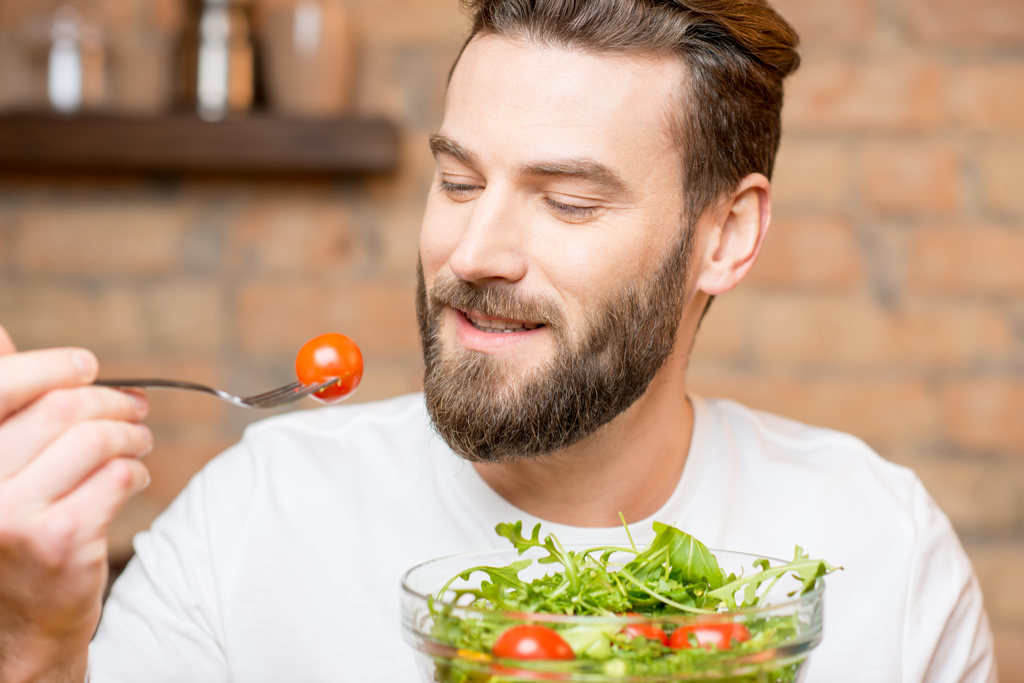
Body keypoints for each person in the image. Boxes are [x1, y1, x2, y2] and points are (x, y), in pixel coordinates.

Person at [0, 0, 996, 681]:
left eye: (568, 202)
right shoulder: (253, 515)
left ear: (725, 237)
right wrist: (35, 647)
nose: (472, 253)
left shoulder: (880, 551)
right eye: (459, 181)